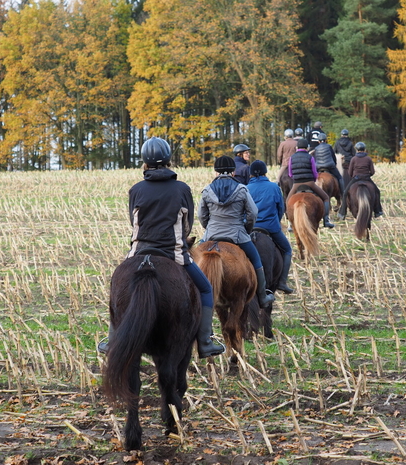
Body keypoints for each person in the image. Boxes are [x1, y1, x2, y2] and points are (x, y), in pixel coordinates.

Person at [98, 137, 225, 359]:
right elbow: (187, 226)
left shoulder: (136, 189)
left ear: (144, 161)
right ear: (168, 160)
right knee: (206, 289)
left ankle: (113, 340)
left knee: (117, 287)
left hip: (138, 251)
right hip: (174, 254)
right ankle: (205, 341)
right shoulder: (182, 189)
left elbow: (133, 221)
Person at [199, 156, 275, 308]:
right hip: (237, 235)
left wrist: (210, 228)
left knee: (193, 261)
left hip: (211, 234)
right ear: (233, 172)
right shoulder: (241, 189)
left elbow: (202, 215)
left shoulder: (207, 190)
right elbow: (253, 213)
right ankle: (262, 296)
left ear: (215, 172)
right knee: (256, 260)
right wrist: (245, 229)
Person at [247, 160, 294, 294]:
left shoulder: (245, 188)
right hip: (270, 228)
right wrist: (275, 222)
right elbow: (281, 209)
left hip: (250, 229)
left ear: (250, 174)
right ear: (265, 172)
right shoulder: (274, 187)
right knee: (287, 250)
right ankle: (282, 282)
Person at [287, 138, 335, 228]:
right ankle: (326, 220)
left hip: (296, 183)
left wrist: (296, 178)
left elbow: (290, 173)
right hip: (310, 183)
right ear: (307, 147)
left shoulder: (291, 157)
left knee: (288, 201)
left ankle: (290, 223)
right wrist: (313, 179)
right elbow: (314, 172)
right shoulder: (310, 157)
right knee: (325, 197)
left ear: (297, 147)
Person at [337, 141, 384, 220]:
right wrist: (367, 175)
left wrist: (354, 176)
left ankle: (342, 212)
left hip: (356, 179)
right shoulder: (368, 158)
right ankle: (377, 211)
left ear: (356, 150)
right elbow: (372, 172)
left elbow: (350, 172)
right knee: (377, 191)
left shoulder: (353, 159)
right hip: (366, 178)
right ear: (364, 149)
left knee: (345, 193)